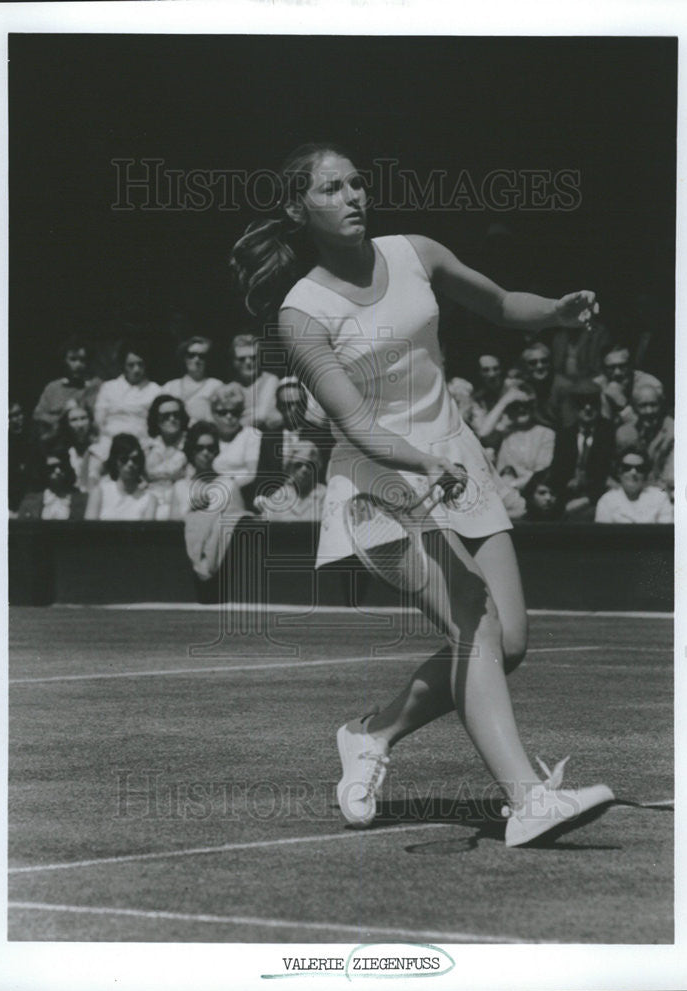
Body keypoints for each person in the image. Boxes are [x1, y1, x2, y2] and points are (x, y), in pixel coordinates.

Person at [231, 142, 613, 847]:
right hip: (377, 482)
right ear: (297, 208)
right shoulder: (301, 315)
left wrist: (555, 312)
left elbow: (499, 303)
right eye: (331, 189)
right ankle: (525, 801)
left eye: (356, 184)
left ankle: (369, 733)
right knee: (473, 618)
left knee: (511, 642)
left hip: (456, 463)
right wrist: (419, 462)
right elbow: (353, 423)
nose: (352, 197)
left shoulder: (416, 252)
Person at [170, 421, 248, 580]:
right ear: (191, 450)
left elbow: (238, 528)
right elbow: (172, 530)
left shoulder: (229, 485)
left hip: (223, 569)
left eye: (211, 448)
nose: (206, 453)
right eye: (200, 448)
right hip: (185, 568)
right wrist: (192, 510)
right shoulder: (179, 487)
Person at [549, 379, 614, 518]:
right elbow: (557, 472)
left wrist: (587, 498)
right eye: (582, 403)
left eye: (592, 402)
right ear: (573, 406)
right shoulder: (565, 435)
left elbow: (609, 475)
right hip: (567, 500)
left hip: (597, 499)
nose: (588, 408)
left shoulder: (608, 433)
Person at [93, 340, 161, 450]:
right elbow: (99, 420)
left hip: (142, 444)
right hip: (109, 442)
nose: (136, 369)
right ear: (123, 365)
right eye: (131, 365)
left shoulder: (155, 390)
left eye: (140, 364)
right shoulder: (109, 387)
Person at [32, 337, 102, 443]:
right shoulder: (53, 388)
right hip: (58, 443)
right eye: (73, 359)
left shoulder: (97, 386)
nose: (78, 365)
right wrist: (62, 416)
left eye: (82, 360)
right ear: (64, 361)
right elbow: (38, 416)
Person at [614, 382, 674, 495]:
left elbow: (669, 480)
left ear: (661, 406)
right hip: (627, 492)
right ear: (634, 408)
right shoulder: (624, 433)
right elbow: (615, 473)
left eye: (653, 405)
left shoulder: (672, 433)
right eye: (643, 406)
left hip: (660, 493)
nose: (649, 411)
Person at [494, 385, 556, 493]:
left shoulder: (545, 433)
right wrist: (504, 401)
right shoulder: (505, 432)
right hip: (504, 492)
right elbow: (482, 433)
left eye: (526, 405)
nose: (521, 409)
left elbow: (540, 473)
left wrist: (511, 486)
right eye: (516, 405)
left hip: (530, 492)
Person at [85, 433, 156, 520]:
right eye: (124, 459)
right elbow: (88, 530)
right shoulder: (100, 492)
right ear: (115, 462)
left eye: (135, 459)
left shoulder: (149, 500)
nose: (130, 464)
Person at [595, 447, 673, 524]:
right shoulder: (607, 501)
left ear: (645, 473)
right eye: (627, 468)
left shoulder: (660, 498)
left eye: (639, 468)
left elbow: (665, 532)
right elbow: (602, 535)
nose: (633, 472)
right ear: (619, 472)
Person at [593, 345, 664, 426]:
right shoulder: (596, 385)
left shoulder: (651, 386)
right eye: (611, 368)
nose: (617, 373)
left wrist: (622, 403)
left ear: (631, 365)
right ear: (603, 369)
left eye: (622, 366)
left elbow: (648, 429)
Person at [145, 395, 189, 520]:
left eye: (176, 415)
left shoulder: (190, 445)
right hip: (150, 500)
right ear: (157, 420)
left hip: (179, 501)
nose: (172, 419)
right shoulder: (147, 447)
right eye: (166, 416)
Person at [161, 335, 223, 426]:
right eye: (191, 355)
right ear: (184, 358)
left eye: (202, 356)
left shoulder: (216, 386)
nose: (196, 359)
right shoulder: (170, 387)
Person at [16, 447, 87, 521]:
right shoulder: (30, 502)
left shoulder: (81, 500)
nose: (57, 471)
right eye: (52, 467)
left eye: (62, 467)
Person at [229, 333, 282, 430]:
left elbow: (261, 416)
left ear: (259, 358)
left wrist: (239, 419)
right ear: (234, 362)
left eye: (253, 357)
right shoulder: (231, 387)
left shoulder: (270, 380)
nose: (248, 362)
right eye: (242, 359)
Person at [57, 401, 104, 493]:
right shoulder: (61, 451)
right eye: (74, 420)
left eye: (83, 418)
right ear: (66, 423)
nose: (80, 424)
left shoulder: (100, 448)